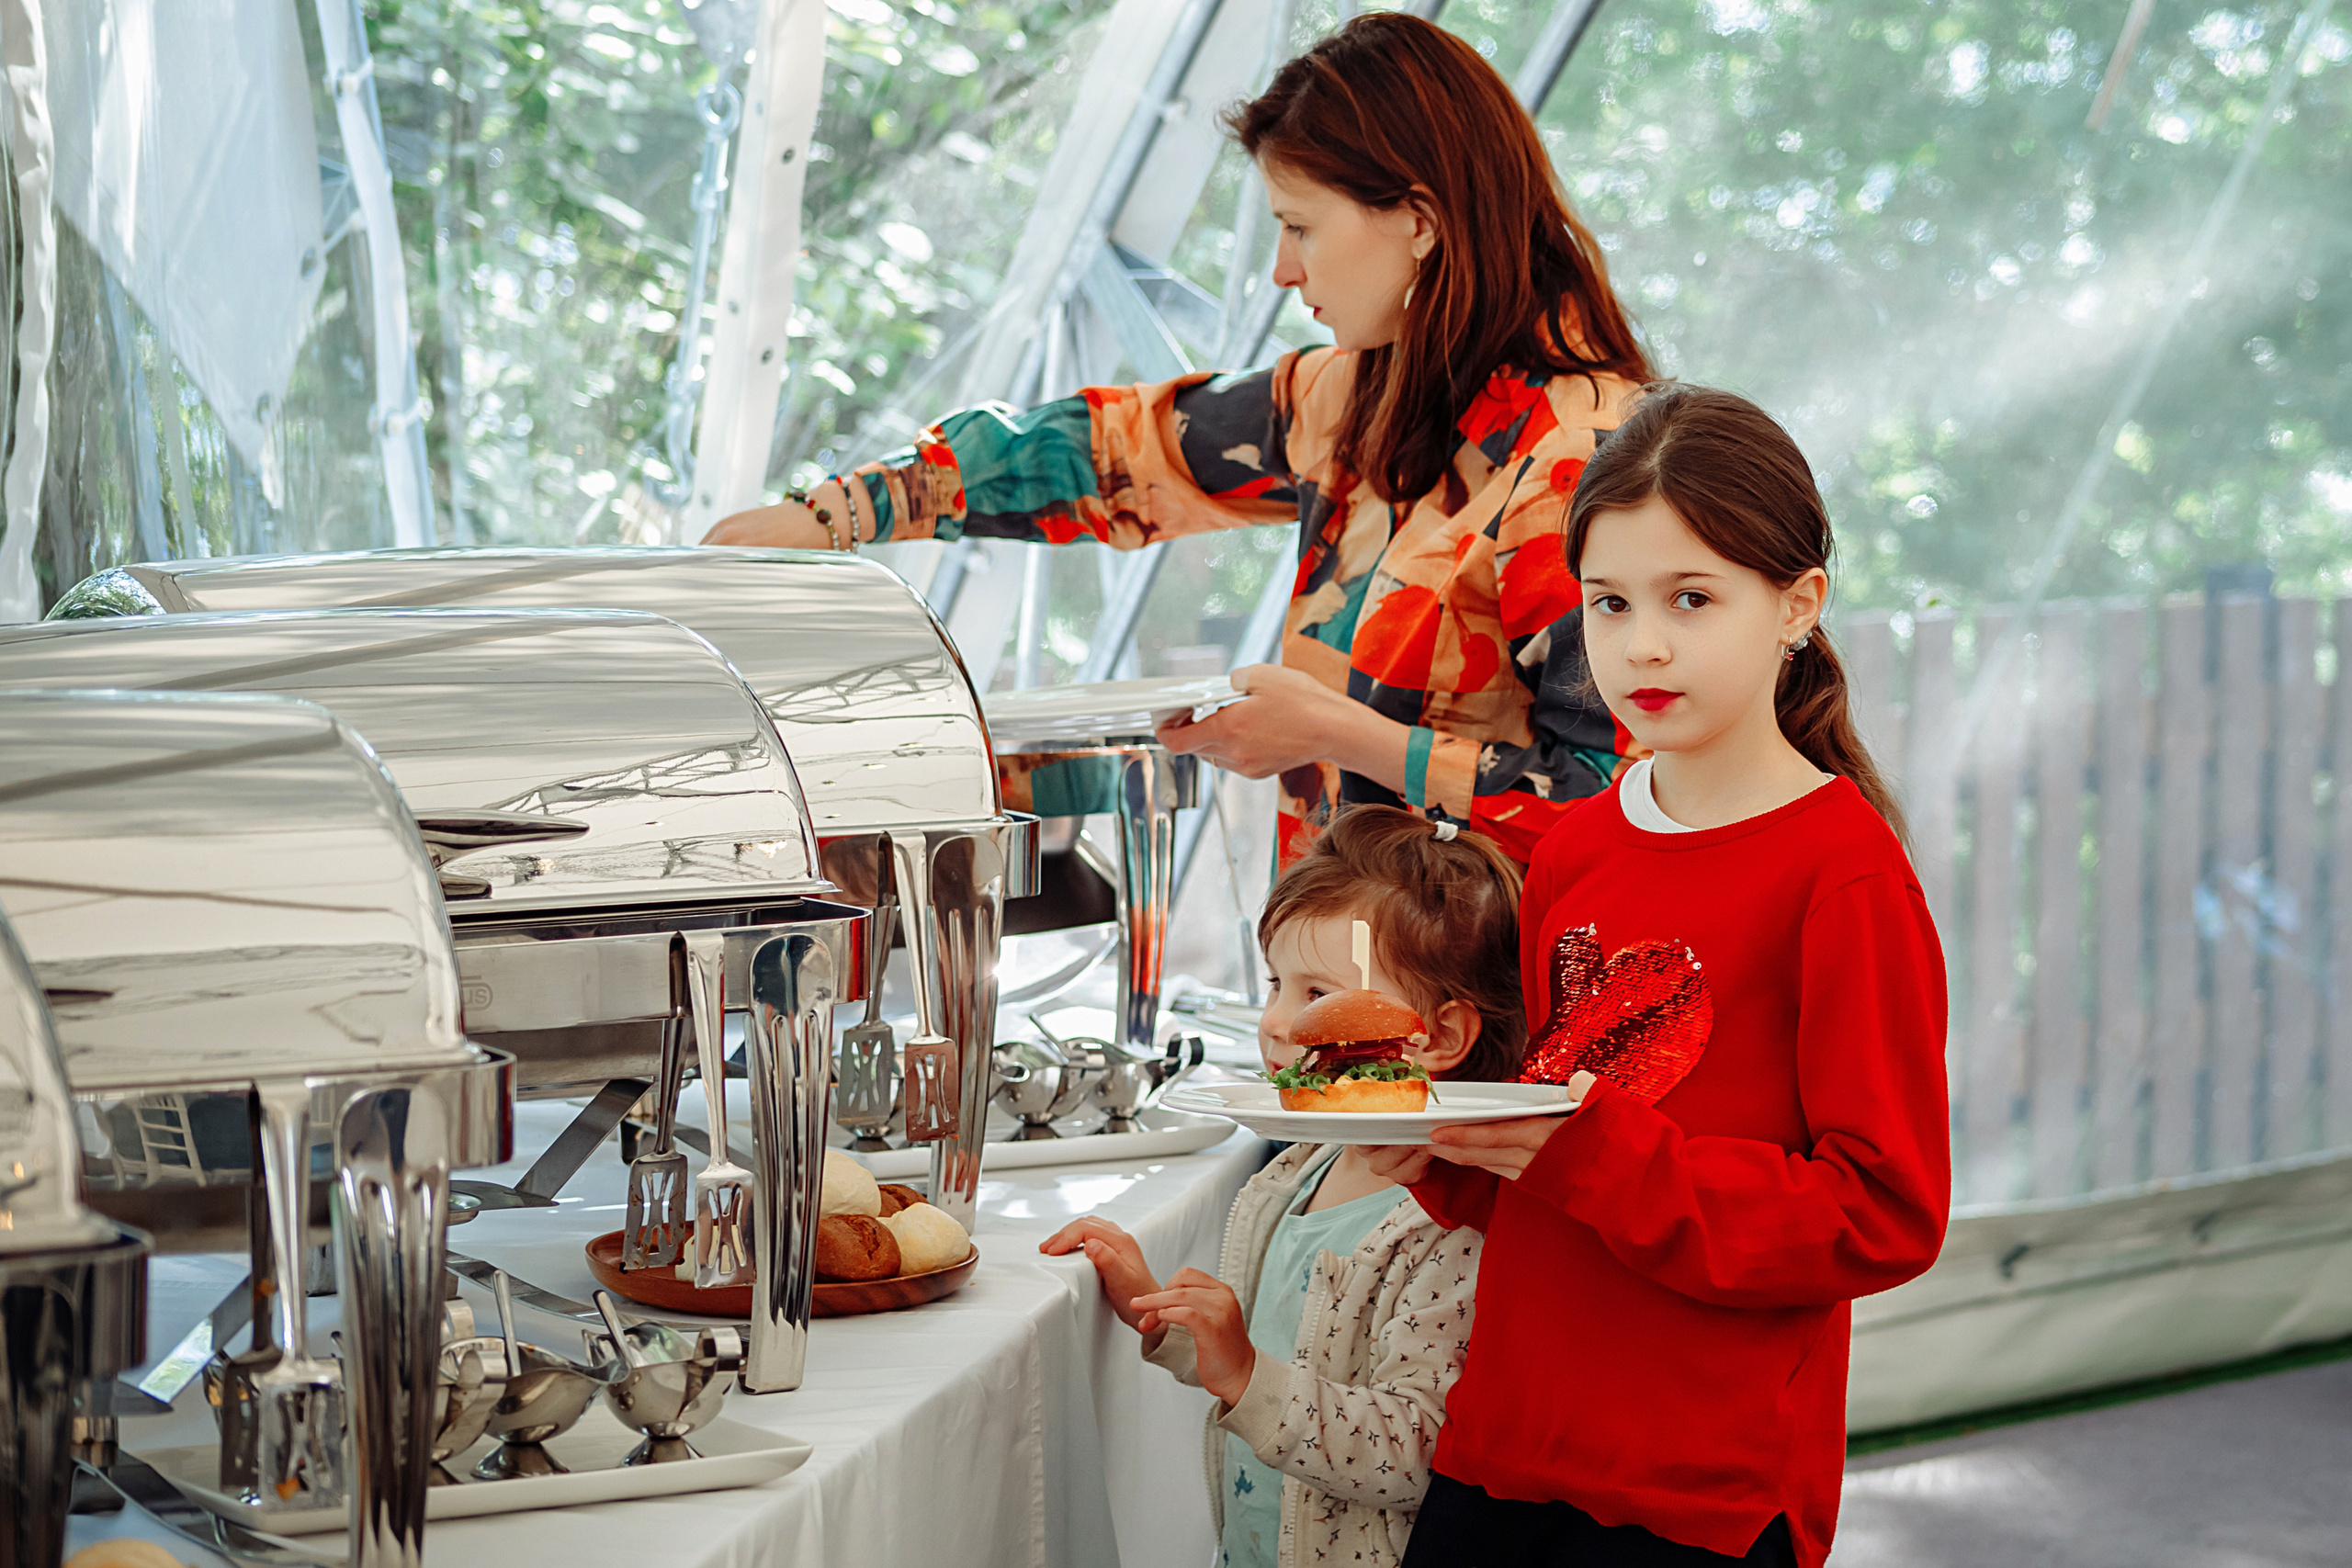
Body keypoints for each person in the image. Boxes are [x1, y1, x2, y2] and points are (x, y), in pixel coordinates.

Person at [704, 14, 1652, 866]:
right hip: (1348, 981)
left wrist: (1334, 732)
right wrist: (843, 511)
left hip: (1503, 1022)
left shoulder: (1582, 461)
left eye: (1299, 227)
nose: (1281, 270)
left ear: (1418, 221)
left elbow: (1625, 805)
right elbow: (1109, 452)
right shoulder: (1356, 399)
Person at [1367, 386, 1951, 1568]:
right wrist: (1443, 1153)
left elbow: (1881, 1215)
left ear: (1796, 606)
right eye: (1609, 602)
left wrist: (1590, 1155)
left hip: (1705, 1492)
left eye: (1692, 599)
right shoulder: (1573, 851)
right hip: (1505, 1446)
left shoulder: (1843, 877)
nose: (1642, 643)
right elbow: (1556, 1167)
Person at [1038, 805, 1525, 1568]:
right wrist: (1159, 1313)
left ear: (1439, 1038)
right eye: (1275, 983)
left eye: (1314, 994)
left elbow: (1418, 1451)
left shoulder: (1452, 1225)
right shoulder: (1302, 1166)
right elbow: (1268, 1353)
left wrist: (1243, 1374)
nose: (1275, 1024)